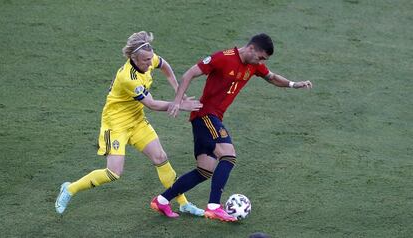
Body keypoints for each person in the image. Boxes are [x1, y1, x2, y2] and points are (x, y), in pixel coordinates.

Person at [150, 33, 312, 221]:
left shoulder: (254, 65)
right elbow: (189, 74)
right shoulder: (223, 58)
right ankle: (214, 206)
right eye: (260, 57)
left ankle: (162, 200)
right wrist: (177, 102)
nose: (261, 62)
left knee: (204, 170)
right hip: (205, 115)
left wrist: (294, 84)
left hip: (210, 118)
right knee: (228, 155)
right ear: (251, 48)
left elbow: (272, 77)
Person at [55, 31, 204, 216]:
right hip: (115, 125)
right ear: (134, 58)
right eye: (145, 61)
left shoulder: (148, 57)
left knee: (160, 158)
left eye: (151, 59)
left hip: (137, 121)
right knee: (113, 173)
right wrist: (180, 105)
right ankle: (70, 189)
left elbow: (164, 65)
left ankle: (183, 203)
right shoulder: (128, 78)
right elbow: (152, 104)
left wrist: (177, 93)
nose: (150, 63)